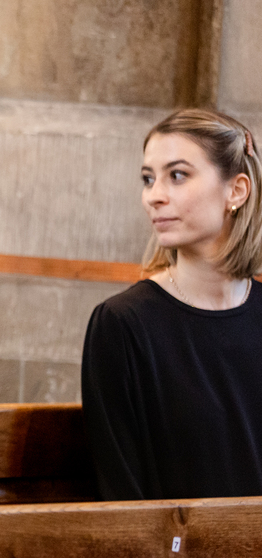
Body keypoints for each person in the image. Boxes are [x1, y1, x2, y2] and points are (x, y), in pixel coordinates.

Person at [82, 109, 262, 500]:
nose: (154, 196)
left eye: (177, 175)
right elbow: (121, 492)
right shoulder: (122, 324)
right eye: (148, 179)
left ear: (236, 190)